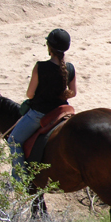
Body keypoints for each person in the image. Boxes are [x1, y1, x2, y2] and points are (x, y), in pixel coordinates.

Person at [8, 28, 77, 181]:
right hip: (61, 111)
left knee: (13, 140)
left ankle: (20, 180)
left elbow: (30, 94)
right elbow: (73, 93)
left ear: (49, 47)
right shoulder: (70, 68)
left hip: (40, 113)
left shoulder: (40, 67)